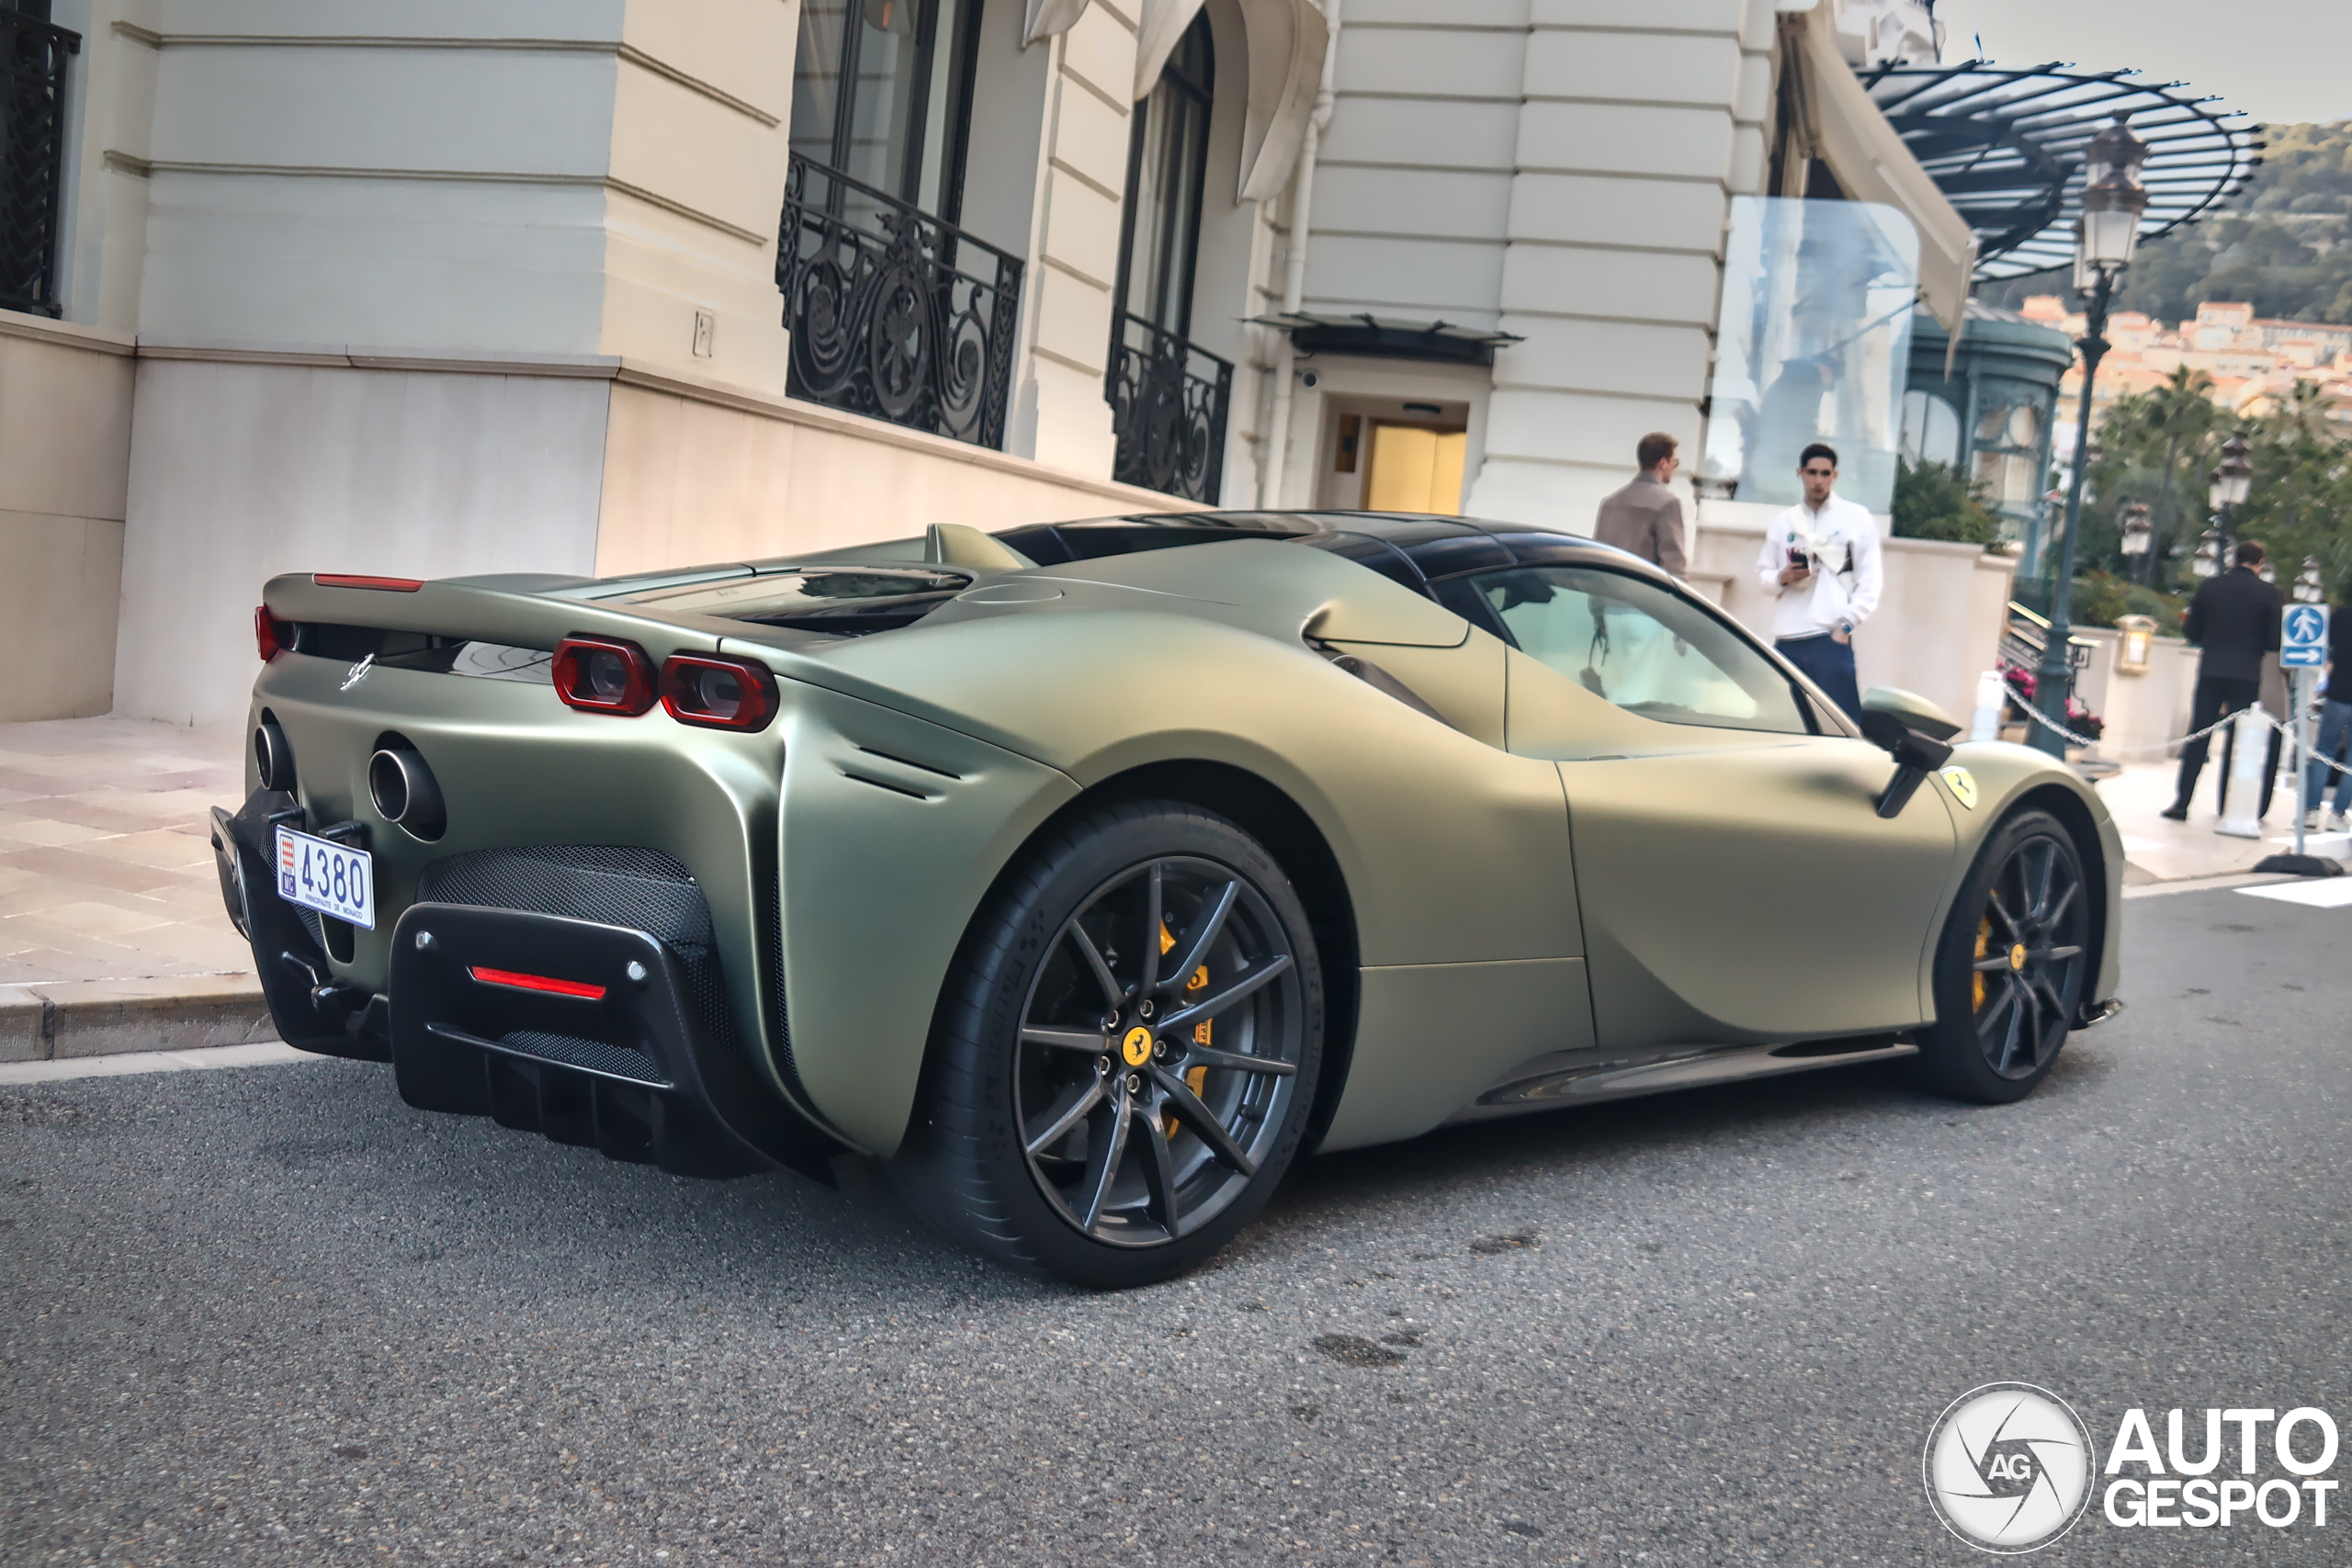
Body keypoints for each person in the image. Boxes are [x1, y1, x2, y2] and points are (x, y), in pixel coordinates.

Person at [1752, 442, 1882, 723]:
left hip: (1830, 637)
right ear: (1800, 473)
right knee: (1780, 722)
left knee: (1840, 724)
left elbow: (1871, 579)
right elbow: (1763, 579)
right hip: (1789, 638)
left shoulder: (1855, 518)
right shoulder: (1783, 522)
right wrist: (1783, 577)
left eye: (1825, 473)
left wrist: (1845, 625)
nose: (1818, 480)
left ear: (1835, 476)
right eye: (1812, 472)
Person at [2163, 538, 2283, 821]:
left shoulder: (2210, 587)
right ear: (2260, 563)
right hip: (2246, 673)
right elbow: (2273, 641)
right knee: (2237, 742)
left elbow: (2192, 631)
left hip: (2212, 669)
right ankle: (2228, 805)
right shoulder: (2269, 594)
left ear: (2233, 559)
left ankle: (2182, 802)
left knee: (2198, 736)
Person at [1593, 433, 1688, 576]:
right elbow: (1674, 565)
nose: (1675, 467)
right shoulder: (1667, 503)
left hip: (1605, 594)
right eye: (1675, 462)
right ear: (1663, 463)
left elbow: (1597, 556)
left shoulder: (1610, 503)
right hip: (1642, 594)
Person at [2301, 570, 2352, 832]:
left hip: (2338, 693)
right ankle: (2338, 814)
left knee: (2324, 752)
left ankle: (2311, 811)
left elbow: (2324, 651)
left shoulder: (2340, 618)